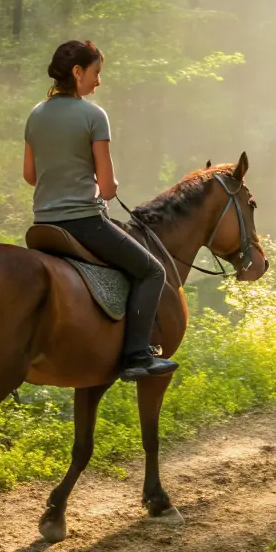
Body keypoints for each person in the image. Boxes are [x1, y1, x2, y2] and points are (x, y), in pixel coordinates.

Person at [23, 40, 177, 380]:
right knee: (153, 272)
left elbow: (30, 175)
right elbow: (107, 189)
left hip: (43, 224)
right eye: (96, 73)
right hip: (84, 223)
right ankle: (137, 355)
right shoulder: (93, 115)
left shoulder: (36, 114)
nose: (98, 81)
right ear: (78, 72)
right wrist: (105, 186)